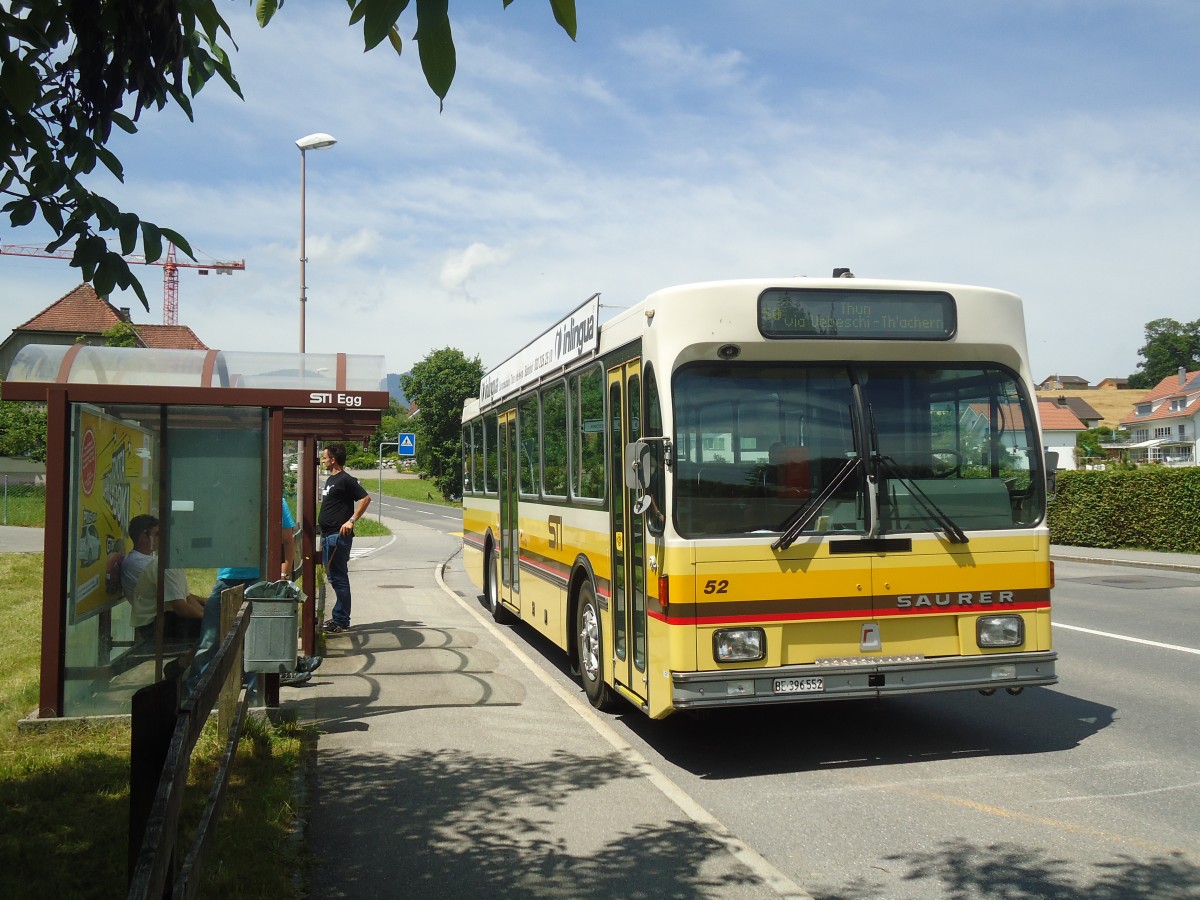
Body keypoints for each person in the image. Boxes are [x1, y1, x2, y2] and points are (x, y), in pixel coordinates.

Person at [186, 498, 320, 694]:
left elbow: (287, 539)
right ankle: (197, 689)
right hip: (229, 576)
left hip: (257, 576)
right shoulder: (228, 501)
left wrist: (283, 572)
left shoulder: (275, 500)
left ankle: (254, 689)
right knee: (213, 637)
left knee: (255, 636)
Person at [121, 514, 205, 646]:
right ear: (143, 537)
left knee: (212, 621)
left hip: (165, 615)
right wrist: (209, 618)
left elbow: (185, 597)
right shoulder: (146, 563)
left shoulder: (165, 562)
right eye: (158, 534)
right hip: (154, 623)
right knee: (211, 627)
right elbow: (180, 606)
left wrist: (207, 612)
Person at [318, 443, 371, 633]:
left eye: (325, 457)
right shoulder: (330, 480)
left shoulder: (345, 479)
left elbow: (365, 498)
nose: (322, 460)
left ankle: (340, 620)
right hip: (327, 535)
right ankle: (339, 617)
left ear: (333, 459)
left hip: (337, 536)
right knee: (333, 577)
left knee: (338, 577)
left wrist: (351, 520)